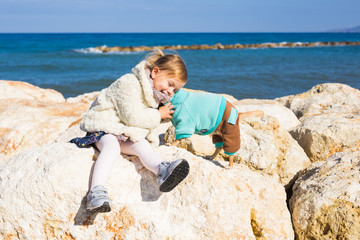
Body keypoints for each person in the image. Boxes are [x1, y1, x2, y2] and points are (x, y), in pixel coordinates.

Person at [70, 50, 190, 213]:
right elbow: (132, 116)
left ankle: (161, 170)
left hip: (123, 131)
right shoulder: (129, 82)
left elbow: (141, 120)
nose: (170, 92)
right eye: (170, 84)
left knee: (141, 145)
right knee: (111, 148)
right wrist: (157, 114)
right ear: (155, 72)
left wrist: (165, 116)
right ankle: (96, 193)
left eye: (175, 90)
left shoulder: (154, 94)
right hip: (104, 127)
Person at [169, 89, 263, 168]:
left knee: (230, 139)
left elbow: (185, 129)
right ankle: (214, 155)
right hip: (219, 109)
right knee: (218, 138)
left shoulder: (182, 107)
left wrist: (173, 144)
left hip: (225, 112)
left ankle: (231, 164)